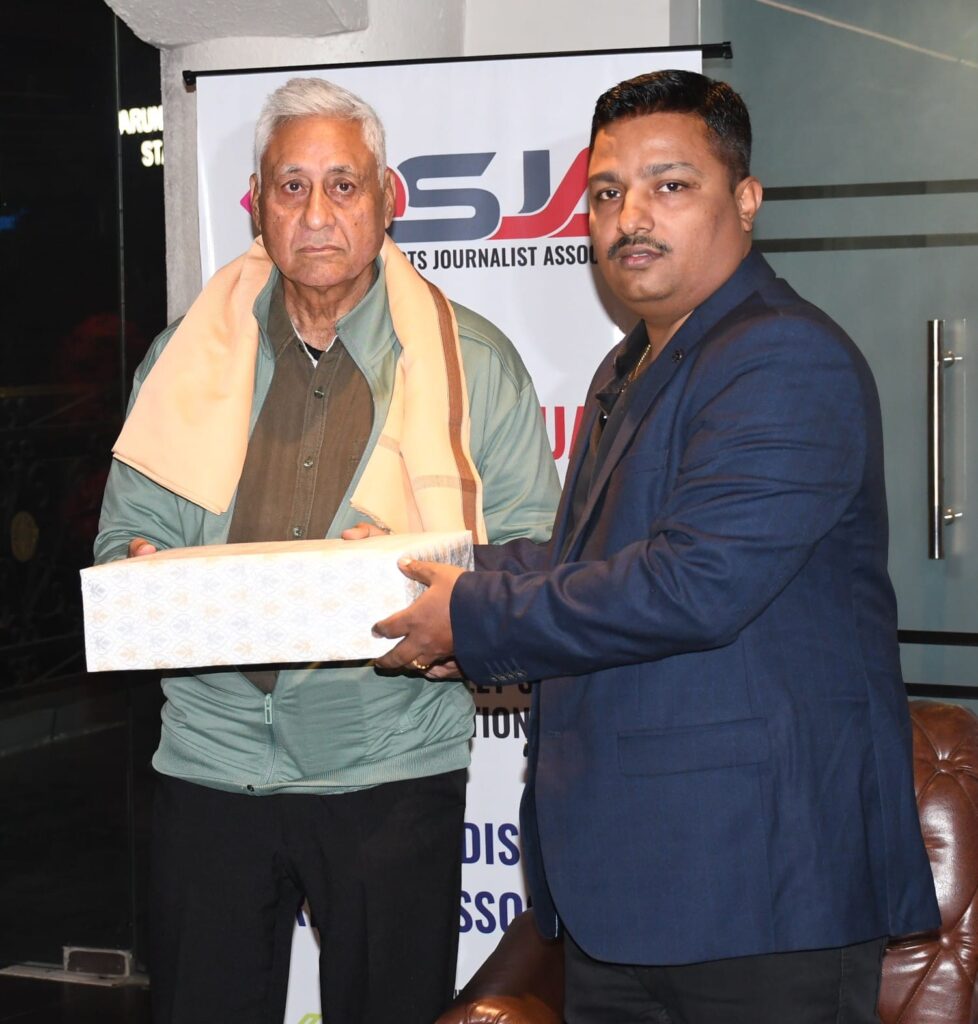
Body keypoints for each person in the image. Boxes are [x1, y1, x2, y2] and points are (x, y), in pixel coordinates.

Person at [371, 70, 940, 1023]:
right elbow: (586, 563)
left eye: (670, 185)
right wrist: (420, 569)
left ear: (746, 200)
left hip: (757, 890)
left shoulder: (783, 356)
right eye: (607, 192)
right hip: (631, 895)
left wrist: (470, 614)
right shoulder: (634, 362)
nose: (630, 216)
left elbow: (693, 584)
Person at [94, 77, 559, 1024]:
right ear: (256, 205)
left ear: (388, 199)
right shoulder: (183, 359)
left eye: (343, 186)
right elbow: (118, 539)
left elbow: (538, 564)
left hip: (389, 770)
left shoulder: (474, 364)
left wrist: (426, 574)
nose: (316, 215)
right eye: (292, 186)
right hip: (210, 766)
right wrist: (144, 567)